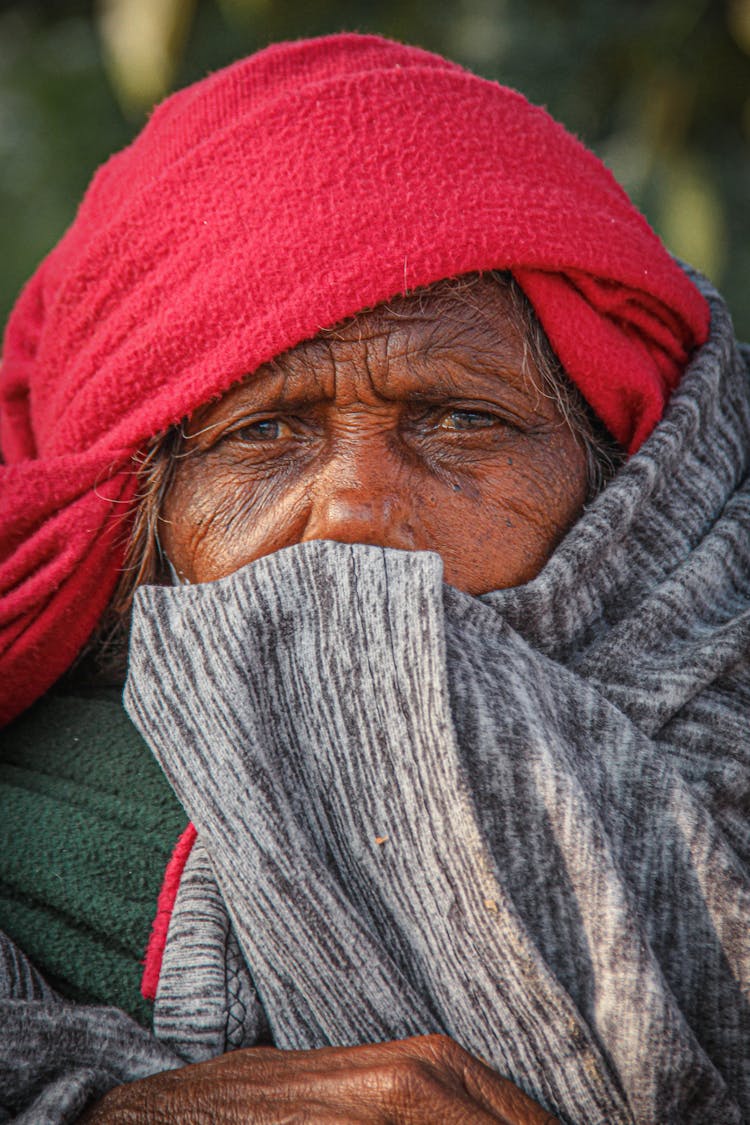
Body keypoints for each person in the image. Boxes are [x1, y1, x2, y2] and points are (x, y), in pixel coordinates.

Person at [0, 31, 747, 1125]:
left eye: (460, 419)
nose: (356, 506)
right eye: (263, 432)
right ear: (145, 524)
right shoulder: (34, 844)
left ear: (633, 491)